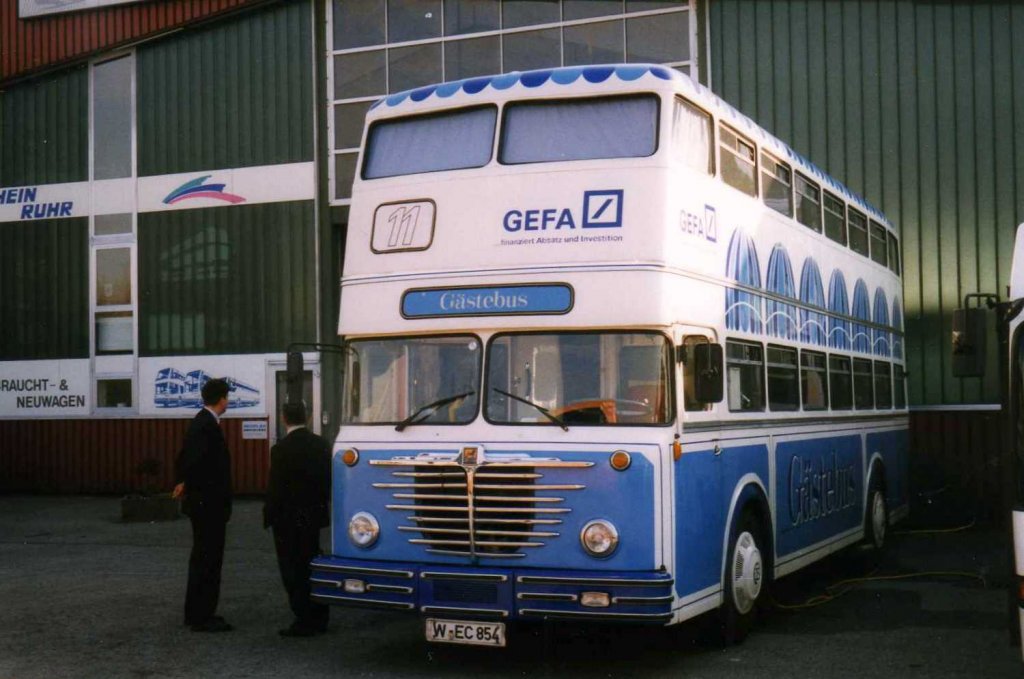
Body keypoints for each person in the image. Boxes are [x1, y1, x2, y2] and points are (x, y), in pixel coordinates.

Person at [263, 401, 331, 637]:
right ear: (309, 417)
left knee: (292, 569)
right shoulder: (321, 445)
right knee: (312, 562)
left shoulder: (280, 450)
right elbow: (327, 483)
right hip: (311, 516)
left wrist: (269, 515)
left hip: (287, 519)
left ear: (284, 418)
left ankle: (303, 618)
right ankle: (320, 615)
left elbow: (275, 488)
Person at [173, 378, 233, 633]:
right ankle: (202, 616)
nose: (228, 401)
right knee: (208, 560)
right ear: (221, 399)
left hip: (203, 505)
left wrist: (183, 483)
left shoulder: (201, 423)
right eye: (227, 397)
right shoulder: (206, 426)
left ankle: (197, 612)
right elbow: (196, 464)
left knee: (202, 558)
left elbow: (184, 459)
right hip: (208, 507)